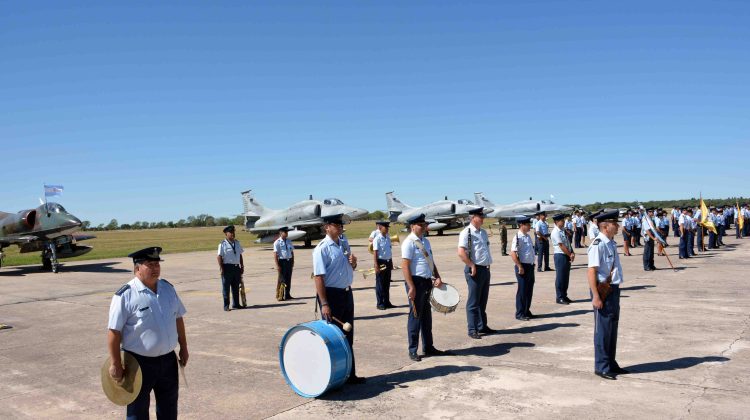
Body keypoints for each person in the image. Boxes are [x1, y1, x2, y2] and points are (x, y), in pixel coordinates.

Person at [107, 247, 189, 419]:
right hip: (138, 364)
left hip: (168, 361)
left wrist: (184, 347)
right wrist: (115, 363)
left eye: (157, 264)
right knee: (137, 412)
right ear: (137, 268)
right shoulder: (125, 295)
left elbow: (178, 318)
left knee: (169, 409)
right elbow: (114, 332)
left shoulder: (167, 289)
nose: (155, 268)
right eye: (150, 265)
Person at [312, 214, 365, 384]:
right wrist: (325, 304)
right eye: (336, 224)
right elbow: (319, 277)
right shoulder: (322, 249)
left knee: (348, 335)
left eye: (341, 225)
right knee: (333, 338)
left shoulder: (343, 243)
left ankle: (350, 374)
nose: (340, 227)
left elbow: (350, 267)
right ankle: (332, 378)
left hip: (346, 293)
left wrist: (354, 262)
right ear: (327, 227)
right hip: (332, 296)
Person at [402, 213, 453, 361]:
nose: (424, 227)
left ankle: (428, 347)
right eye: (420, 225)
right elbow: (405, 266)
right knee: (415, 316)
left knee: (426, 317)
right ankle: (413, 349)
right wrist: (411, 287)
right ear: (412, 226)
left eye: (424, 225)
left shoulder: (426, 242)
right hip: (415, 282)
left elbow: (431, 261)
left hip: (426, 281)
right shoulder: (409, 242)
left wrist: (437, 276)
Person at [587, 210, 628, 380]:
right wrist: (596, 296)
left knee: (612, 327)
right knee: (603, 329)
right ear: (605, 226)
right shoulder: (598, 244)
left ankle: (611, 362)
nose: (617, 226)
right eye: (614, 223)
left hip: (613, 289)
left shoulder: (610, 242)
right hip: (602, 290)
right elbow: (591, 271)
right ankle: (601, 366)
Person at [458, 207, 494, 339]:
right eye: (480, 216)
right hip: (474, 270)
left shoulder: (483, 232)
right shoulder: (466, 233)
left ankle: (482, 326)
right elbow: (461, 253)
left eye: (483, 216)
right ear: (473, 218)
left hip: (484, 269)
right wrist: (471, 265)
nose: (483, 218)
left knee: (482, 301)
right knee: (473, 302)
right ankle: (472, 329)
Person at [511, 216, 536, 321]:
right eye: (528, 224)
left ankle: (526, 310)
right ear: (522, 225)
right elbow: (513, 253)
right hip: (522, 267)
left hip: (530, 266)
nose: (530, 226)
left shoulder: (527, 236)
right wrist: (519, 266)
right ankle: (520, 313)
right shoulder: (517, 237)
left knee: (529, 290)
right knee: (522, 291)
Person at [217, 225, 245, 311]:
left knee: (236, 287)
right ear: (226, 234)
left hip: (236, 268)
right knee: (226, 288)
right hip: (227, 267)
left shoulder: (237, 243)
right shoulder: (222, 244)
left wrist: (242, 266)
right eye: (231, 232)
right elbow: (219, 257)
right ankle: (226, 306)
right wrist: (221, 268)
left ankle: (236, 304)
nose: (233, 234)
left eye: (233, 232)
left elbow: (240, 254)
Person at [551, 213, 574, 304]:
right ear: (556, 222)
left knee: (565, 277)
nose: (563, 222)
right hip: (560, 255)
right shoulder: (555, 232)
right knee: (560, 277)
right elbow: (561, 245)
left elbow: (567, 243)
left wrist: (572, 252)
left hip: (566, 255)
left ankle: (564, 295)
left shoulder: (562, 230)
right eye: (562, 221)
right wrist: (570, 254)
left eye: (563, 220)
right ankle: (559, 297)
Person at [372, 220, 395, 310]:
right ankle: (380, 303)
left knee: (387, 283)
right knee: (380, 284)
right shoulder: (377, 239)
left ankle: (387, 302)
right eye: (386, 227)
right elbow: (375, 253)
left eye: (388, 227)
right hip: (380, 262)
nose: (387, 229)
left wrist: (391, 262)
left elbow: (389, 250)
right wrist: (376, 265)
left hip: (388, 262)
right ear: (380, 228)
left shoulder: (388, 238)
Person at [274, 227, 295, 300]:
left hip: (289, 261)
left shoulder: (289, 241)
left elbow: (292, 252)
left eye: (287, 232)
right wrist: (277, 265)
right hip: (282, 262)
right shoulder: (277, 242)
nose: (286, 233)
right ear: (280, 233)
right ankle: (280, 295)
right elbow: (275, 254)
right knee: (282, 279)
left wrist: (292, 261)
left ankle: (287, 294)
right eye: (285, 232)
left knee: (288, 278)